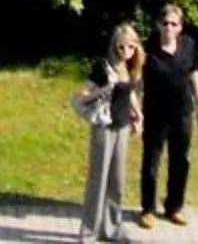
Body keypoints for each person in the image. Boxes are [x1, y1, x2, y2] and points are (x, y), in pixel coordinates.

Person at [135, 0, 198, 226]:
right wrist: (135, 111)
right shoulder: (148, 49)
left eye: (174, 24)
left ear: (180, 27)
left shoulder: (188, 46)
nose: (169, 28)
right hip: (155, 113)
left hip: (182, 112)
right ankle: (148, 209)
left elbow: (194, 74)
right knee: (151, 162)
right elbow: (137, 80)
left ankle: (174, 207)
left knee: (180, 161)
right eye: (165, 23)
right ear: (158, 25)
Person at [78, 21, 142, 242]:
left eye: (131, 46)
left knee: (117, 180)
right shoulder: (103, 67)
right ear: (114, 46)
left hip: (122, 126)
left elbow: (130, 93)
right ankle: (89, 231)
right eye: (121, 46)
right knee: (98, 179)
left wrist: (138, 116)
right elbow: (84, 94)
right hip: (104, 126)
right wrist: (104, 88)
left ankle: (112, 228)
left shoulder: (131, 67)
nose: (126, 51)